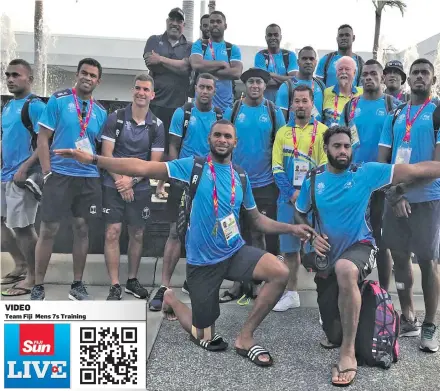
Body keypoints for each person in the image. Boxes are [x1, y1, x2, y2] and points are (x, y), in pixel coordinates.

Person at [54, 119, 317, 368]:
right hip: (202, 263)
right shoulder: (193, 166)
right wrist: (95, 159)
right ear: (209, 139)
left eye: (228, 136)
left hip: (234, 251)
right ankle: (171, 297)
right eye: (218, 135)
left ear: (235, 142)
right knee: (205, 336)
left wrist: (292, 228)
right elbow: (142, 167)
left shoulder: (241, 176)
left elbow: (257, 220)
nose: (222, 140)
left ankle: (245, 337)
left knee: (280, 272)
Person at [295, 125, 440, 386]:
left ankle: (347, 353)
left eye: (347, 146)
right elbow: (299, 212)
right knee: (333, 332)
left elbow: (416, 170)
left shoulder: (365, 172)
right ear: (326, 149)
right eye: (337, 146)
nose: (342, 151)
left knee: (346, 270)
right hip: (327, 256)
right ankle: (351, 312)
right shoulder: (314, 180)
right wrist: (310, 236)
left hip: (361, 247)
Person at [30, 58, 107, 301]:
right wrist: (46, 172)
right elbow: (43, 138)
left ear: (98, 81)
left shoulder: (102, 111)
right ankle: (38, 284)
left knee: (82, 229)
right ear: (77, 74)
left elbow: (101, 148)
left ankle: (77, 285)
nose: (87, 78)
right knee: (48, 229)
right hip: (59, 175)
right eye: (84, 73)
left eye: (93, 75)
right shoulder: (59, 99)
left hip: (88, 178)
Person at [378, 58, 440, 352]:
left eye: (424, 73)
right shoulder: (396, 114)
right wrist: (393, 193)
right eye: (414, 72)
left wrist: (403, 189)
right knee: (399, 257)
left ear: (432, 79)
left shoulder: (437, 112)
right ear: (408, 79)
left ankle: (429, 323)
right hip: (395, 198)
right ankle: (408, 315)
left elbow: (438, 165)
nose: (418, 77)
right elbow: (383, 161)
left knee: (427, 262)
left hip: (426, 200)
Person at [149, 73, 221, 313]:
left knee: (203, 232)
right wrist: (170, 176)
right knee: (174, 232)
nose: (205, 91)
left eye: (210, 87)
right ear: (196, 88)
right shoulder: (183, 113)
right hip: (184, 179)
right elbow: (172, 147)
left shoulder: (221, 116)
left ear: (214, 90)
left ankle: (194, 282)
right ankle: (164, 285)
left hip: (210, 182)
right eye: (202, 86)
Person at [222, 68, 285, 304]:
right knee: (233, 232)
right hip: (234, 182)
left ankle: (257, 282)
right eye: (251, 82)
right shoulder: (234, 110)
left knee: (259, 234)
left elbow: (280, 147)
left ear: (265, 86)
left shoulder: (272, 111)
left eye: (259, 82)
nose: (255, 86)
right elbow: (223, 142)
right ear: (245, 85)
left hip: (264, 183)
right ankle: (238, 282)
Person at [101, 74, 164, 301]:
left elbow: (154, 163)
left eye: (146, 89)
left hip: (140, 187)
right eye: (138, 88)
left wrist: (132, 181)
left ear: (152, 94)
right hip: (113, 184)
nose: (141, 93)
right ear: (132, 90)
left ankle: (132, 280)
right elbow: (106, 155)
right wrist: (121, 181)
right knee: (112, 232)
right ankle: (115, 284)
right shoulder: (115, 118)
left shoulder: (157, 125)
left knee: (137, 233)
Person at [339, 59, 398, 291]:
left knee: (382, 240)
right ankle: (352, 288)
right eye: (365, 74)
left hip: (383, 183)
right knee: (353, 236)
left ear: (382, 77)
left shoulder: (392, 104)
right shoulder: (350, 107)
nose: (368, 78)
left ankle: (383, 293)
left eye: (374, 73)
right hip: (356, 182)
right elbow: (342, 142)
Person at [272, 85, 328, 311]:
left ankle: (323, 298)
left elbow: (324, 168)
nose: (301, 105)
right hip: (287, 200)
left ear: (312, 103)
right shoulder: (283, 133)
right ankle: (292, 292)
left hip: (313, 202)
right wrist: (292, 193)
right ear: (292, 104)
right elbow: (276, 168)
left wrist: (306, 196)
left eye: (305, 101)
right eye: (297, 101)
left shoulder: (323, 131)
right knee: (289, 250)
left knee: (319, 248)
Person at [1, 59, 46, 297]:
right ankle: (19, 265)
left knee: (23, 227)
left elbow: (45, 142)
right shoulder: (8, 106)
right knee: (3, 223)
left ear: (29, 78)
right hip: (5, 175)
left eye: (16, 75)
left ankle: (33, 277)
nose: (10, 79)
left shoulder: (35, 105)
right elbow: (5, 139)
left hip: (22, 177)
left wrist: (25, 168)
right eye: (8, 75)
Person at [143, 7, 192, 198]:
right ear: (167, 21)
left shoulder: (189, 46)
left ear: (183, 25)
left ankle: (161, 185)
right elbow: (149, 62)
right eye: (172, 19)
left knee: (172, 147)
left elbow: (186, 68)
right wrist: (175, 64)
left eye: (179, 21)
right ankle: (143, 181)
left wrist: (161, 60)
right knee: (149, 144)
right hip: (154, 103)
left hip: (177, 106)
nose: (175, 23)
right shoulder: (154, 40)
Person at [190, 10, 243, 112]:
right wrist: (222, 64)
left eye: (219, 22)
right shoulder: (200, 45)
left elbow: (236, 73)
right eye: (212, 21)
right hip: (200, 108)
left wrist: (205, 69)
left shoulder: (232, 49)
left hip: (225, 108)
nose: (215, 24)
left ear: (225, 26)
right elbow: (196, 65)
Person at [276, 46, 325, 122]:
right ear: (298, 62)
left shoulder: (321, 85)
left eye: (311, 59)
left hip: (318, 133)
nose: (308, 62)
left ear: (315, 62)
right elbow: (280, 122)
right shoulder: (286, 86)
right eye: (304, 59)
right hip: (294, 133)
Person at [254, 24, 298, 102]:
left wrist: (271, 74)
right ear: (266, 38)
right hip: (266, 104)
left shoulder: (289, 55)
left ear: (280, 37)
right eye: (270, 35)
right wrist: (285, 79)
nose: (273, 38)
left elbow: (295, 80)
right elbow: (263, 82)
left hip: (286, 104)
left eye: (276, 35)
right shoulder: (260, 55)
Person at [322, 56, 363, 128]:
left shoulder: (362, 93)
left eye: (347, 69)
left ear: (354, 72)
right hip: (331, 137)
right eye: (340, 69)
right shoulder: (326, 93)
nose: (343, 72)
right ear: (336, 72)